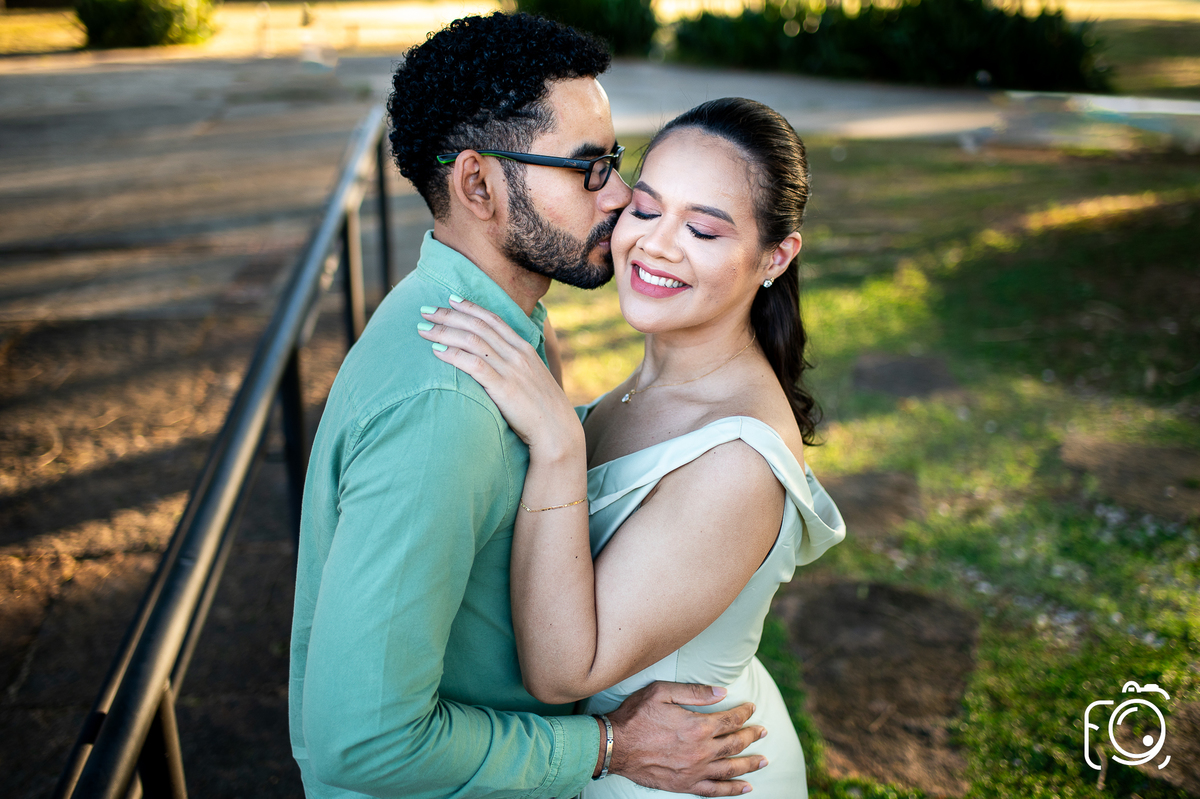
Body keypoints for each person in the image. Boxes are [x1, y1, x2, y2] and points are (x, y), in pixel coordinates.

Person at [289, 14, 771, 799]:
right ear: (478, 184)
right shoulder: (446, 406)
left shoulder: (485, 324)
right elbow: (365, 743)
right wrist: (608, 745)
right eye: (587, 169)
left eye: (613, 162)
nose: (620, 197)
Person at [417, 97, 848, 797]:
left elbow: (564, 668)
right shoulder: (648, 384)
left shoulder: (737, 461)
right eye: (646, 210)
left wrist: (558, 442)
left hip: (669, 775)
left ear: (776, 255)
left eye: (704, 230)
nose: (656, 245)